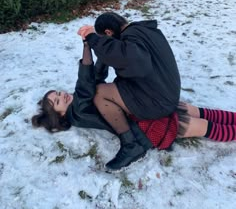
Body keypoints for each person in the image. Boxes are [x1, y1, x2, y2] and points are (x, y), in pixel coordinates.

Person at [32, 42, 236, 172]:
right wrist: (87, 46)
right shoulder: (78, 113)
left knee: (195, 110)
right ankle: (131, 146)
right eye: (58, 101)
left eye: (58, 93)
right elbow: (87, 84)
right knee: (202, 125)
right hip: (145, 127)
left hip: (142, 107)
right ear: (59, 115)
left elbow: (95, 78)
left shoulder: (79, 99)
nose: (62, 96)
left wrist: (102, 47)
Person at [78, 12, 181, 170]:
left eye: (105, 38)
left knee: (100, 94)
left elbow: (126, 57)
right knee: (114, 87)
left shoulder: (131, 43)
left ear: (108, 32)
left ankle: (131, 145)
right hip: (165, 92)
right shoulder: (143, 32)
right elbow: (119, 56)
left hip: (159, 102)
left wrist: (93, 38)